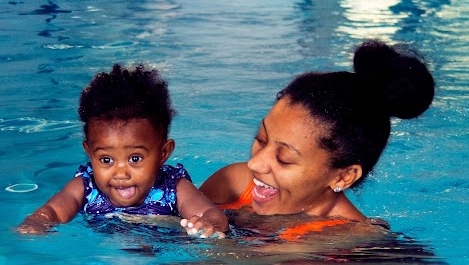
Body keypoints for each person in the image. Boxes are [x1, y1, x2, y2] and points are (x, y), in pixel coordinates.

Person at [200, 39, 435, 235]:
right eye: (262, 139)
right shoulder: (236, 182)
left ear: (343, 176)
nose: (255, 163)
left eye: (284, 159)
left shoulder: (352, 236)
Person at [17, 64, 229, 237]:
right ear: (89, 153)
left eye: (135, 158)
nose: (121, 173)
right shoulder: (83, 188)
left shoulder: (175, 189)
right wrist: (38, 221)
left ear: (163, 153)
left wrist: (209, 225)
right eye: (106, 160)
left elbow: (211, 213)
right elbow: (53, 211)